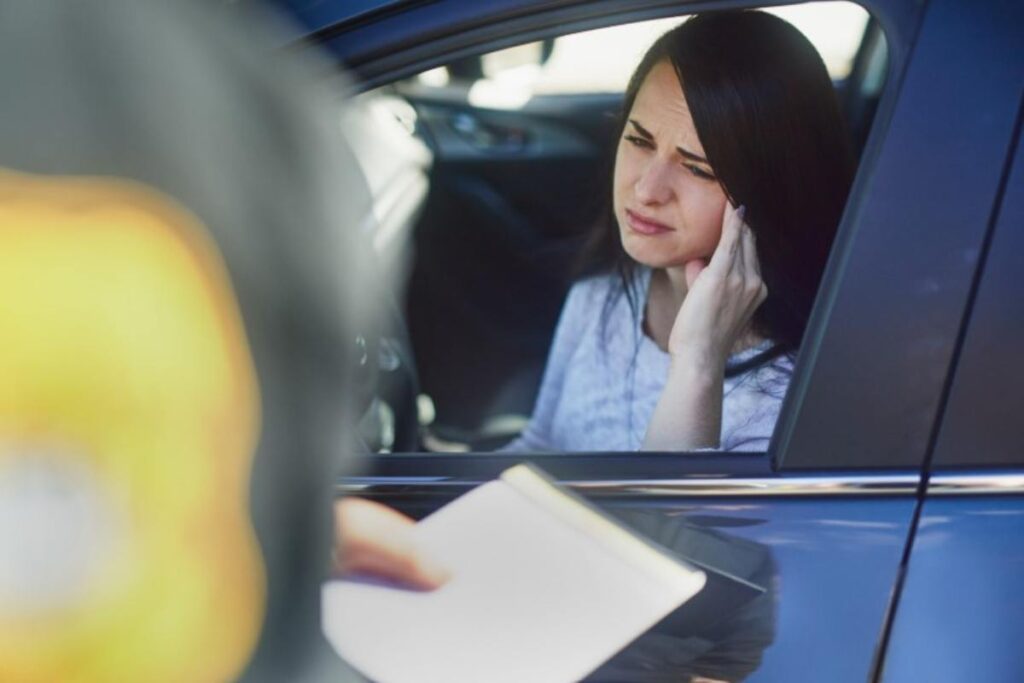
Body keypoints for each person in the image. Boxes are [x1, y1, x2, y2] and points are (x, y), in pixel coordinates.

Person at [506, 10, 854, 453]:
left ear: (772, 190)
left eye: (697, 169)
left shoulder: (789, 400)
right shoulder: (599, 299)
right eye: (639, 141)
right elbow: (541, 446)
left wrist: (698, 363)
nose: (647, 190)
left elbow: (659, 504)